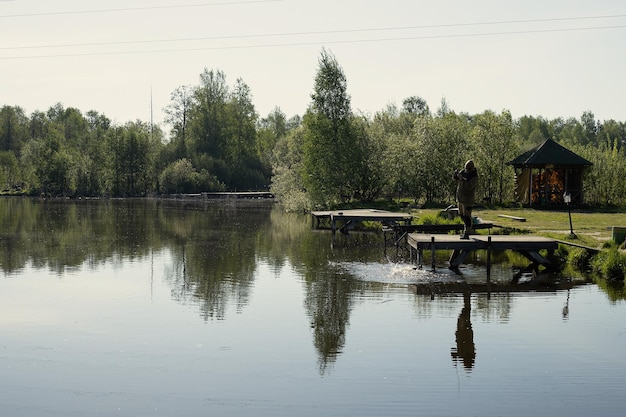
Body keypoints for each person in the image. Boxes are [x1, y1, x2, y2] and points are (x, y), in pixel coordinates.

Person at [453, 160, 478, 239]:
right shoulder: (464, 172)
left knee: (467, 216)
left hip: (468, 200)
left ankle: (467, 232)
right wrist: (456, 175)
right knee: (462, 215)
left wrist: (462, 179)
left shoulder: (474, 177)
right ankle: (465, 230)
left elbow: (469, 186)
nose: (466, 171)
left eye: (468, 169)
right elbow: (456, 178)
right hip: (460, 198)